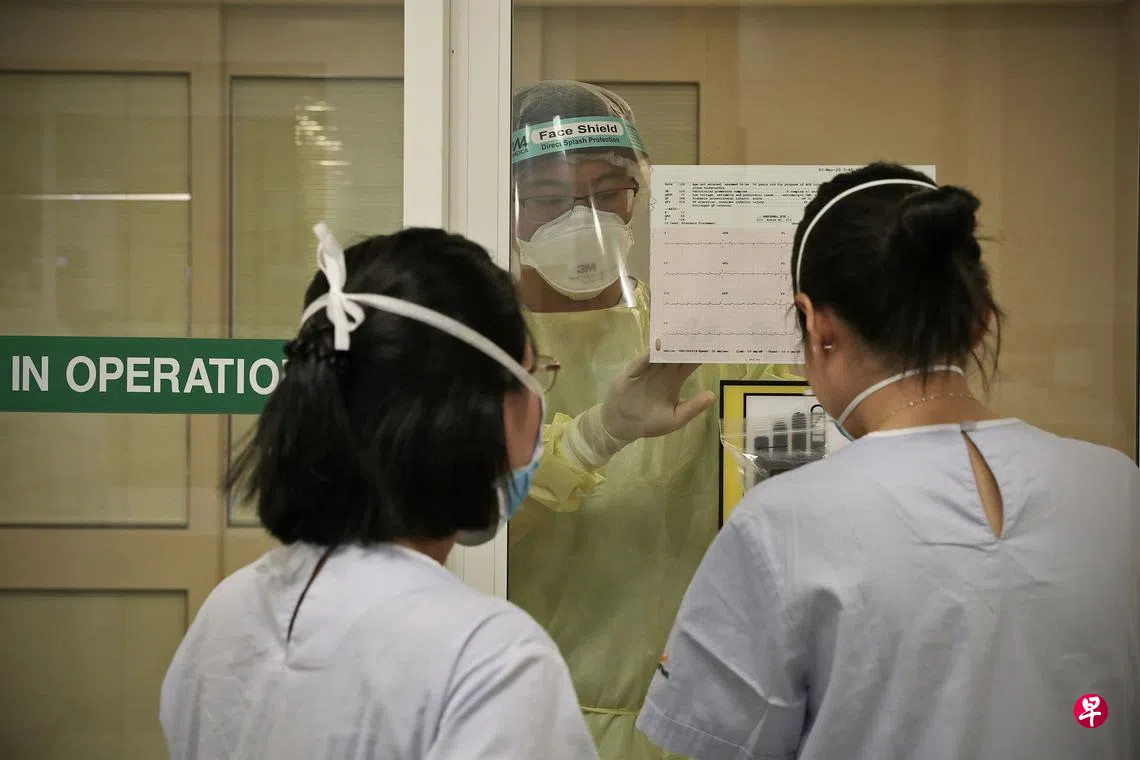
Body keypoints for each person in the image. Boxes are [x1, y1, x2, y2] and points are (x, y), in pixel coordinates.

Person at [637, 163, 1140, 759]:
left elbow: (720, 741)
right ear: (979, 321)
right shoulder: (1116, 488)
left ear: (817, 325)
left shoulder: (781, 523)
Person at [160, 224, 599, 760]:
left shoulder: (228, 614)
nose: (539, 404)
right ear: (471, 411)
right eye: (535, 376)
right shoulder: (493, 662)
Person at [507, 79, 797, 759]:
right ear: (504, 201)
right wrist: (593, 438)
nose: (584, 220)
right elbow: (465, 526)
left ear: (638, 195)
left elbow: (797, 492)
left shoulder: (705, 335)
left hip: (689, 724)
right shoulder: (485, 348)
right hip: (526, 722)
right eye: (548, 198)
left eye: (609, 192)